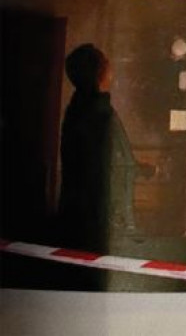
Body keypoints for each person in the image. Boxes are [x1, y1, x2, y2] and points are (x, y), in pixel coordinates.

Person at [58, 44, 138, 250]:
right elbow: (100, 171)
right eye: (106, 62)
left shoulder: (82, 109)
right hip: (97, 224)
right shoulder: (96, 114)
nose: (111, 67)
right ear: (99, 71)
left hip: (89, 220)